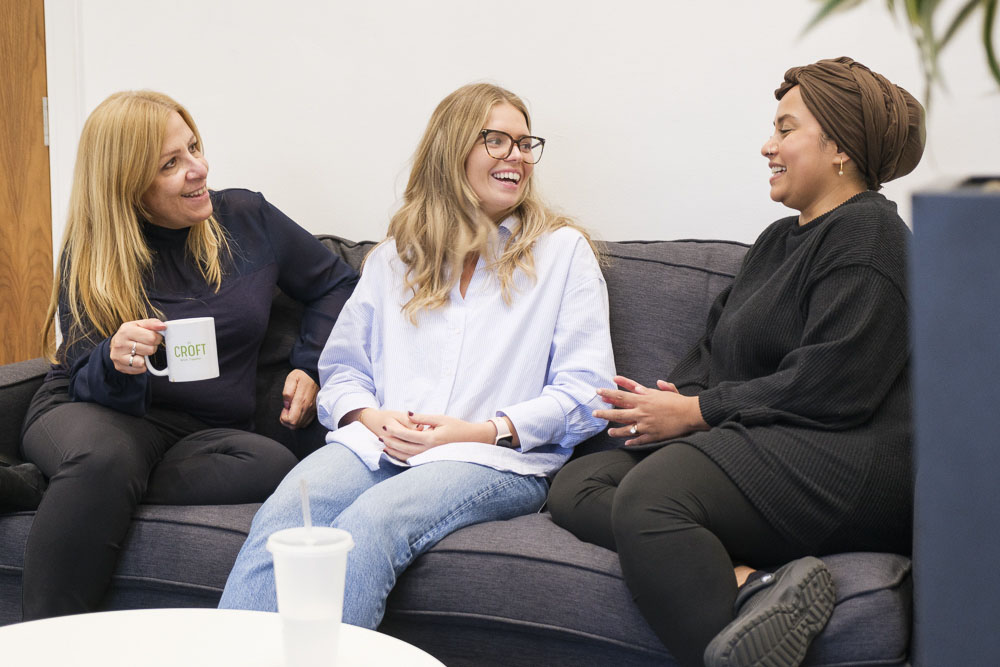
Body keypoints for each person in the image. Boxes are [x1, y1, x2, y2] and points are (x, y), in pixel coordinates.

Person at [548, 57, 925, 667]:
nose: (766, 147)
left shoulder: (871, 236)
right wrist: (675, 399)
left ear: (840, 149)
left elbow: (834, 386)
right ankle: (753, 586)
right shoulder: (778, 241)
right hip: (774, 438)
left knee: (652, 496)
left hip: (851, 457)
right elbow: (715, 348)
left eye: (785, 129)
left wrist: (697, 411)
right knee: (578, 483)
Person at [218, 82, 615, 627]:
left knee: (368, 530)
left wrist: (474, 431)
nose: (517, 157)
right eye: (496, 141)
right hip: (377, 442)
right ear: (452, 152)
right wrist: (370, 417)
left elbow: (585, 393)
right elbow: (342, 371)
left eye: (525, 144)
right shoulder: (395, 259)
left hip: (492, 459)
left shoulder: (562, 252)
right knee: (286, 517)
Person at [19, 90, 359, 620]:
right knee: (106, 458)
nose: (198, 169)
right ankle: (44, 646)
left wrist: (309, 364)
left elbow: (337, 282)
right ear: (128, 186)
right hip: (101, 413)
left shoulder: (247, 219)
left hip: (201, 432)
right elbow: (85, 377)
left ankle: (68, 485)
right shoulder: (94, 253)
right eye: (171, 164)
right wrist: (115, 357)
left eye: (194, 148)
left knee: (271, 462)